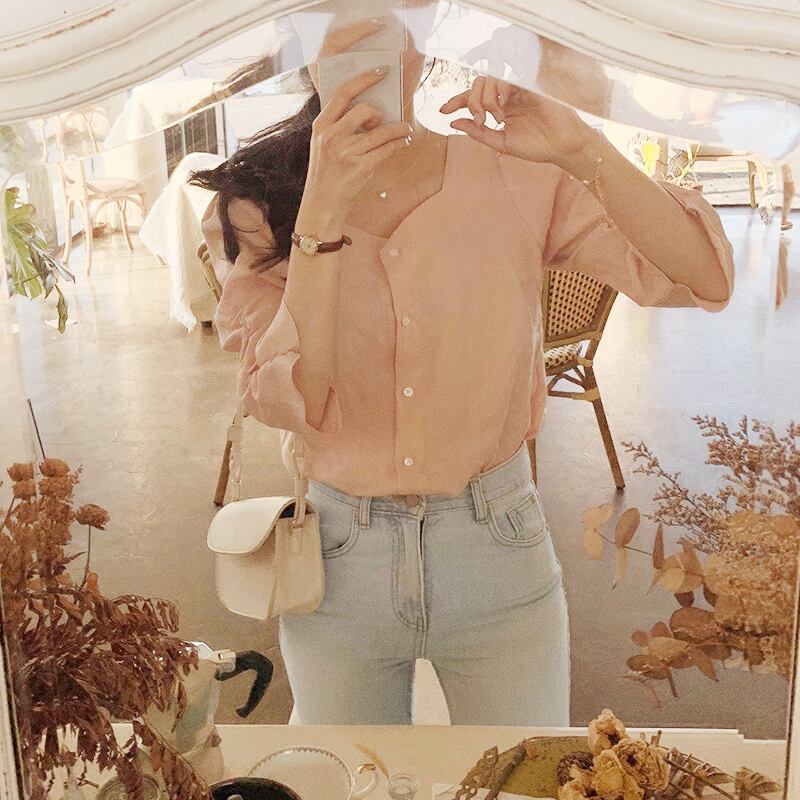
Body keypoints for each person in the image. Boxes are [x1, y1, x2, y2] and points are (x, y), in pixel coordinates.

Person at [191, 16, 734, 725]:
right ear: (301, 42)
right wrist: (320, 211)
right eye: (332, 18)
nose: (362, 37)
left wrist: (581, 149)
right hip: (336, 560)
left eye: (393, 18)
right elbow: (295, 400)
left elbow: (701, 275)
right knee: (353, 772)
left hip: (496, 548)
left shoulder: (512, 168)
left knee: (526, 770)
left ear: (425, 40)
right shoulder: (259, 201)